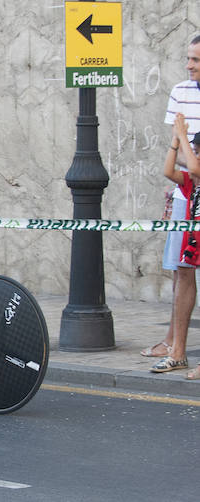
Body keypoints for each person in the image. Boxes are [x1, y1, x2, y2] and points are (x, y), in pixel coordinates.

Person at [143, 35, 200, 380]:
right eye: (189, 58)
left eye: (195, 60)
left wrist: (189, 159)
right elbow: (179, 153)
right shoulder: (181, 91)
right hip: (188, 198)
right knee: (182, 271)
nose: (189, 65)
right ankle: (176, 350)